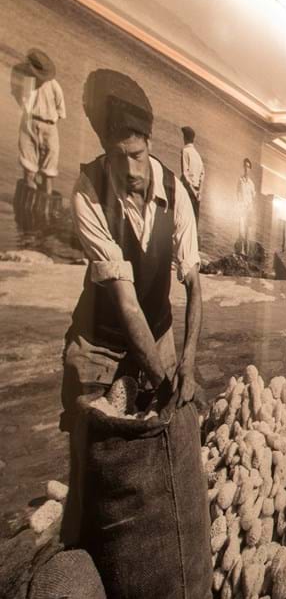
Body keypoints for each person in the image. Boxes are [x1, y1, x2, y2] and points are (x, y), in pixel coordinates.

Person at [61, 74, 203, 451]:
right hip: (101, 343)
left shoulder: (177, 194)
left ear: (149, 143)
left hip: (158, 332)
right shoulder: (88, 193)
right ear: (105, 150)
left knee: (165, 441)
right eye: (118, 156)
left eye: (137, 155)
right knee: (96, 447)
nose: (131, 170)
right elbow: (127, 306)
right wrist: (164, 386)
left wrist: (187, 361)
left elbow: (193, 283)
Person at [15, 49, 66, 231]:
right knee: (29, 171)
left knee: (48, 174)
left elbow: (60, 111)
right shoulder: (27, 81)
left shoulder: (54, 86)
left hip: (49, 127)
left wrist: (48, 125)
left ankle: (41, 217)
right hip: (29, 123)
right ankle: (27, 219)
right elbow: (23, 103)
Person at [180, 126, 204, 222]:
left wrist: (193, 192)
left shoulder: (185, 151)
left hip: (188, 190)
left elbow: (185, 174)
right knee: (194, 220)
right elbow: (202, 175)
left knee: (184, 219)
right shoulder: (197, 155)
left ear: (185, 138)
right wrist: (199, 192)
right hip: (197, 192)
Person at [236, 157, 256, 256]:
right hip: (241, 209)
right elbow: (238, 194)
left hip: (249, 210)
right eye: (245, 166)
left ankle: (246, 253)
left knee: (248, 233)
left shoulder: (251, 184)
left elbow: (253, 197)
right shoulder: (240, 180)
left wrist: (250, 208)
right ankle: (241, 251)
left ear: (250, 169)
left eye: (248, 167)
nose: (246, 168)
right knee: (241, 231)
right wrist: (240, 205)